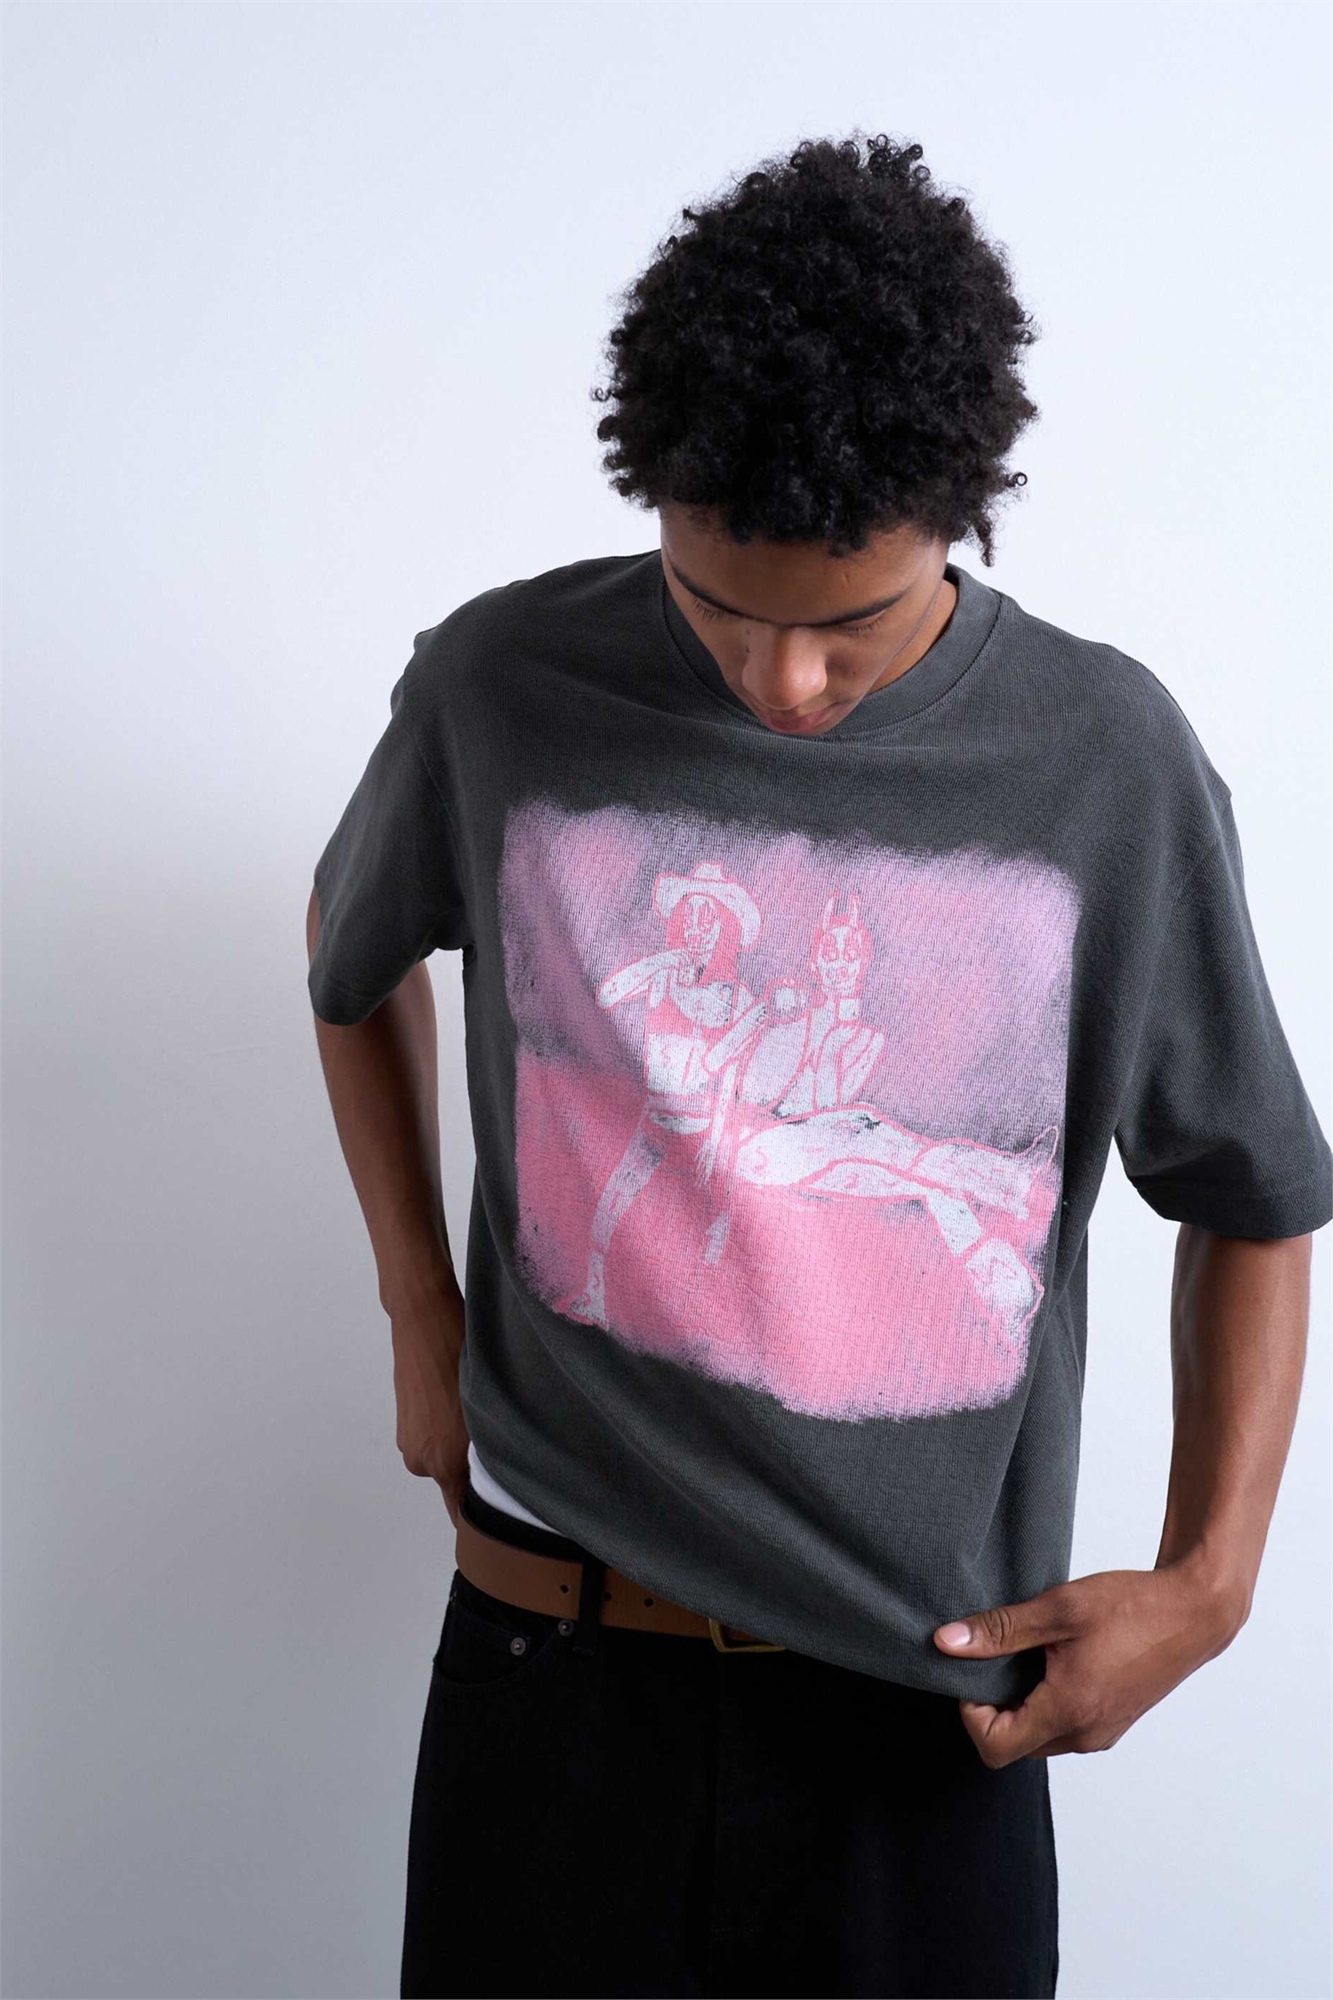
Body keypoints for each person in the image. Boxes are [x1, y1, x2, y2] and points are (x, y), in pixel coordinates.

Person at [305, 132, 1331, 2000]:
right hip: (555, 1656)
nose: (780, 684)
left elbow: (1251, 1190)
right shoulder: (500, 688)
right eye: (718, 604)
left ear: (957, 517)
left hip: (920, 1711)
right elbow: (348, 958)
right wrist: (416, 1308)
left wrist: (1210, 1581)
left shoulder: (1102, 759)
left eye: (847, 623)